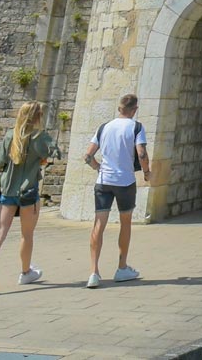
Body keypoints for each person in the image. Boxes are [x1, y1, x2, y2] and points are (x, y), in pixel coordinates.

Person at [0, 100, 60, 296]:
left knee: (0, 234)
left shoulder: (10, 136)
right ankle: (25, 272)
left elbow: (0, 163)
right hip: (28, 192)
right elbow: (55, 152)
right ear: (38, 117)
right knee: (27, 235)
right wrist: (41, 160)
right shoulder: (40, 137)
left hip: (8, 190)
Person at [83, 92, 151, 288]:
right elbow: (142, 153)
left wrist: (98, 167)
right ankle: (122, 268)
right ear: (135, 109)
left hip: (104, 181)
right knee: (125, 223)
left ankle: (93, 272)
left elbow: (87, 155)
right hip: (125, 181)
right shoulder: (136, 127)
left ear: (119, 108)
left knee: (99, 224)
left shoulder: (104, 127)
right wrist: (146, 172)